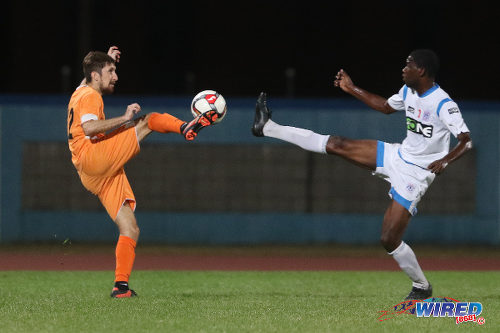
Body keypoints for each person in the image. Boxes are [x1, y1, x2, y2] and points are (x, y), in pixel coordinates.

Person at [252, 49, 472, 300]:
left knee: (389, 238)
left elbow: (466, 141)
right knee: (338, 144)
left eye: (408, 64)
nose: (403, 68)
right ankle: (267, 127)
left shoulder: (444, 104)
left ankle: (421, 286)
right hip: (397, 156)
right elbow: (385, 107)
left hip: (416, 174)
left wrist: (445, 160)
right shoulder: (408, 91)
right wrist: (352, 88)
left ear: (421, 70)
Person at [67, 46, 219, 298]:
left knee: (130, 228)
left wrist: (105, 59)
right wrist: (125, 117)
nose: (115, 76)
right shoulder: (91, 96)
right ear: (96, 76)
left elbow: (89, 77)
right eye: (110, 71)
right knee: (147, 121)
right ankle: (185, 127)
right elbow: (90, 128)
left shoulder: (81, 90)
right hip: (93, 155)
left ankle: (121, 287)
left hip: (91, 173)